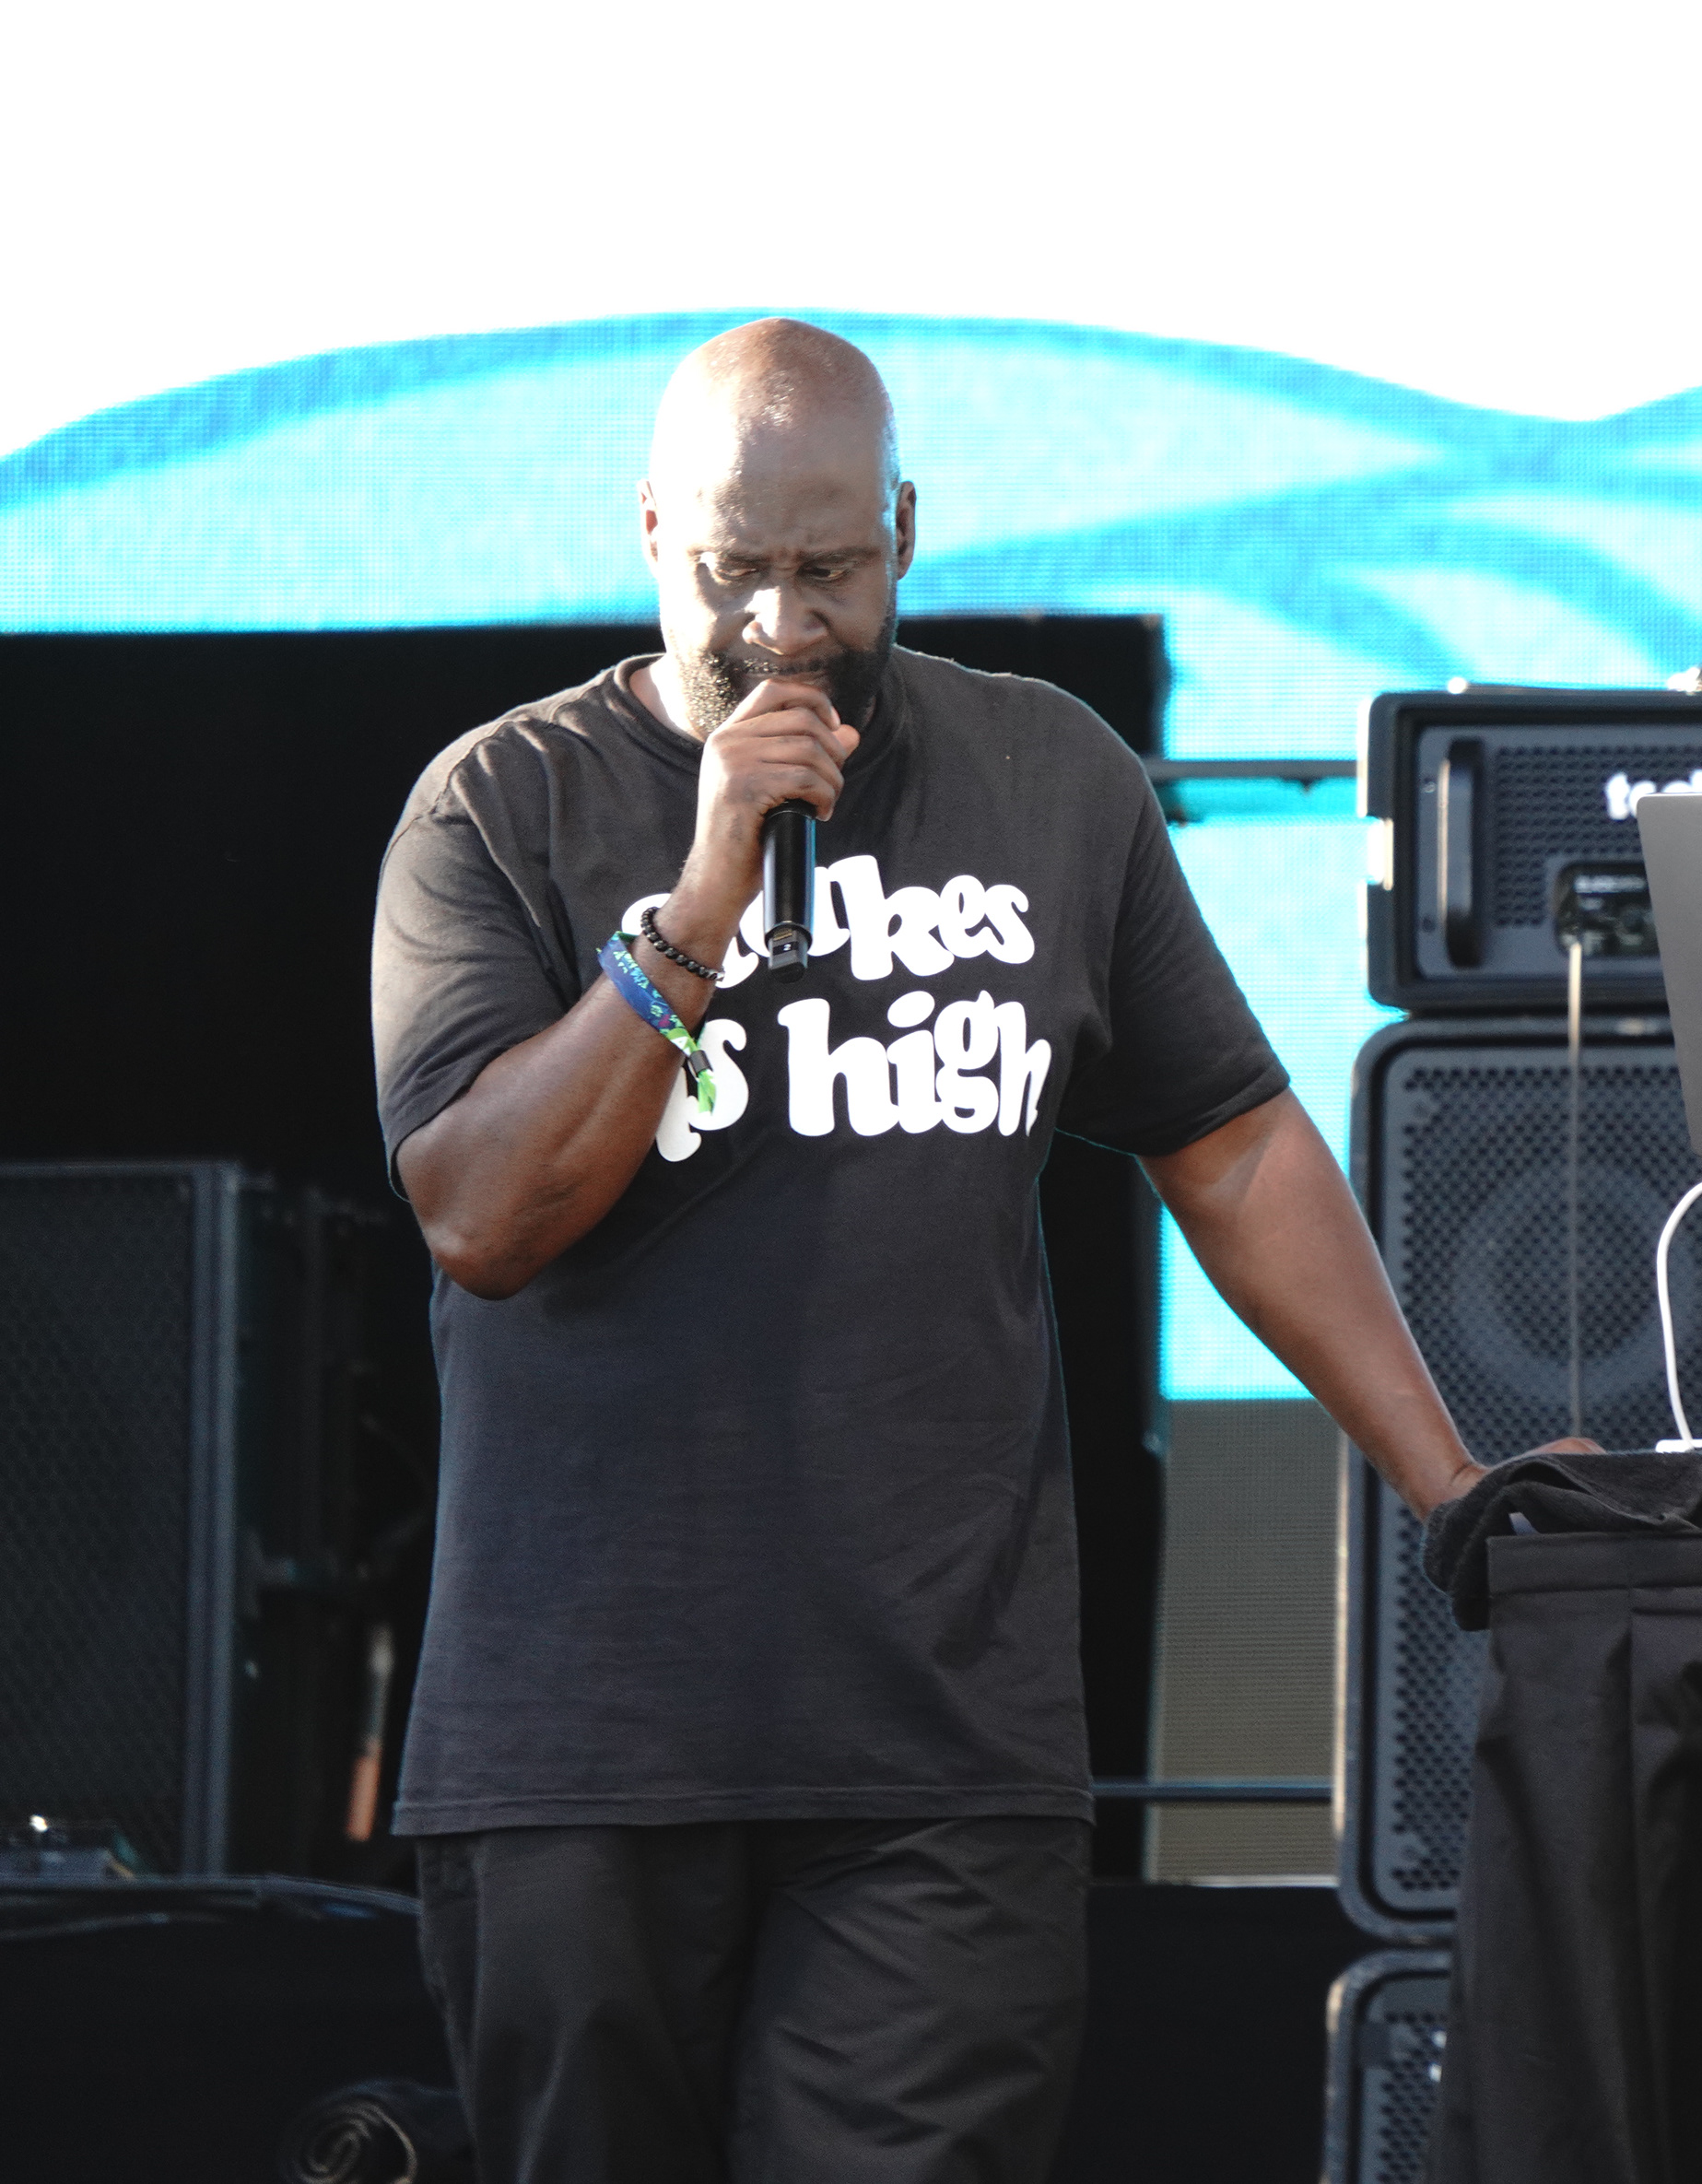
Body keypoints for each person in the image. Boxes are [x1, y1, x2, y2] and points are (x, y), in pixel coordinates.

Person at [369, 319, 1481, 2181]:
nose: (783, 629)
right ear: (651, 532)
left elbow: (1229, 1147)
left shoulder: (1048, 779)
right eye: (735, 572)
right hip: (584, 1747)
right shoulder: (499, 805)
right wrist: (701, 902)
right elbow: (483, 1216)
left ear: (906, 531)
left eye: (831, 569)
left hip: (941, 1757)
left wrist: (1448, 1485)